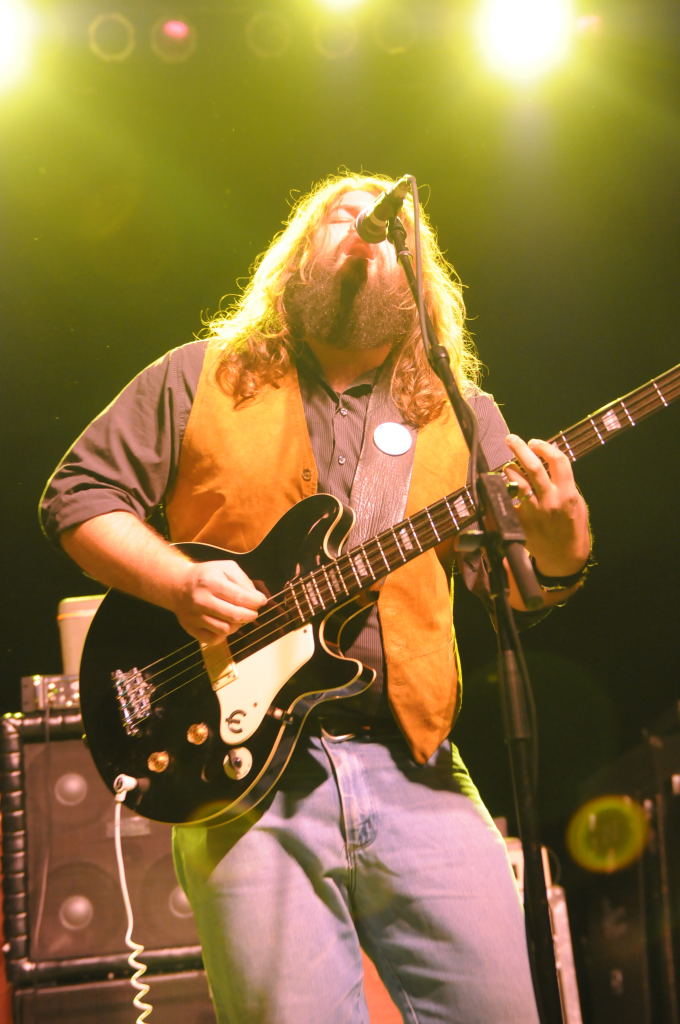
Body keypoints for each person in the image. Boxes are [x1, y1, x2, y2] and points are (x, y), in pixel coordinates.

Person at [40, 171, 591, 1023]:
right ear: (299, 258)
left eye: (388, 230)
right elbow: (78, 497)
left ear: (418, 278)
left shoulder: (460, 414)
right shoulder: (199, 376)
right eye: (341, 217)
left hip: (417, 768)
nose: (365, 230)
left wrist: (561, 543)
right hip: (245, 780)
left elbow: (515, 588)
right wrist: (178, 582)